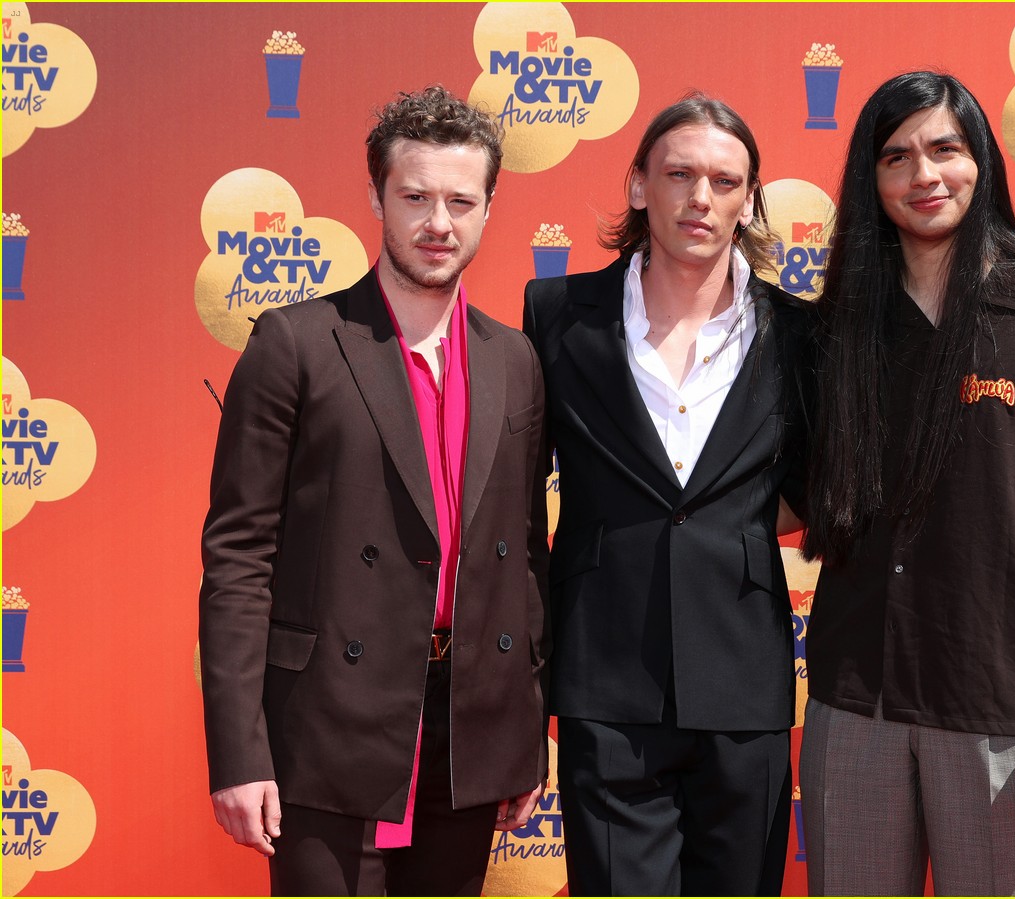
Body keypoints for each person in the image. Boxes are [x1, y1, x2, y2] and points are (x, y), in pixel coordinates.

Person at [199, 85, 550, 896]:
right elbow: (239, 557)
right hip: (326, 726)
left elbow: (525, 554)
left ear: (489, 207)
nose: (439, 223)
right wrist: (240, 751)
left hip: (465, 730)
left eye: (462, 200)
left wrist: (522, 733)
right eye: (416, 196)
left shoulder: (514, 359)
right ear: (376, 198)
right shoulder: (296, 343)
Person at [795, 71, 1015, 896]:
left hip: (1003, 710)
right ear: (870, 183)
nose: (924, 176)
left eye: (945, 148)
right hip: (852, 702)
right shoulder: (837, 327)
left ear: (982, 160)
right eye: (897, 157)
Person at [523, 93, 803, 896]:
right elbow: (512, 490)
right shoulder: (556, 315)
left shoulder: (799, 333)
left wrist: (730, 530)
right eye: (679, 173)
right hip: (604, 680)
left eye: (725, 179)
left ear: (750, 199)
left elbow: (819, 490)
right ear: (639, 184)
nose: (701, 197)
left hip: (743, 680)